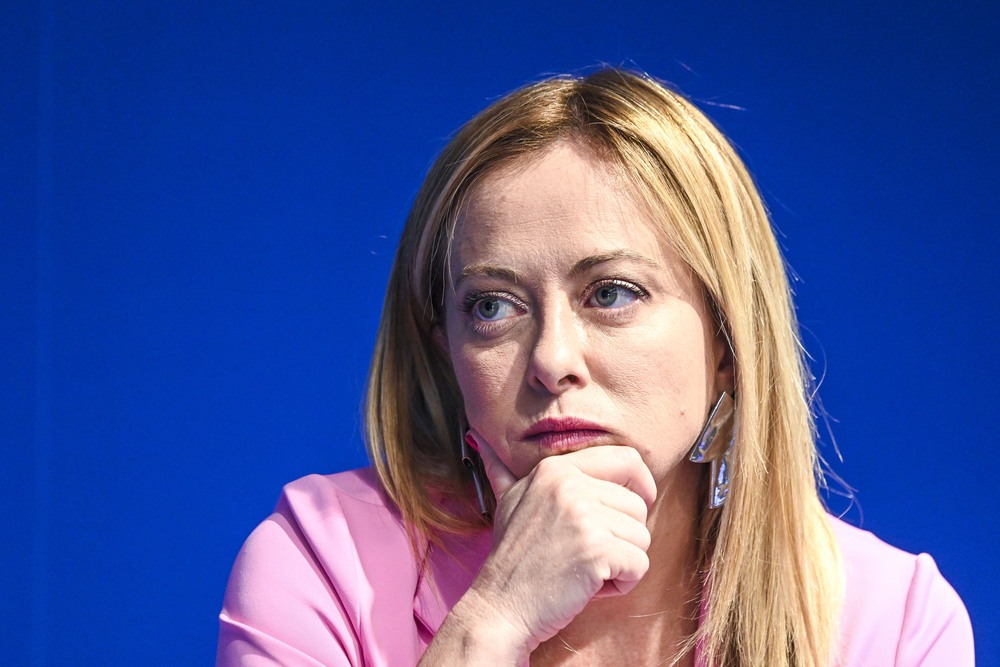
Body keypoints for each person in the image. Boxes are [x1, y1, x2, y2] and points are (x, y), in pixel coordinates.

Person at [216, 68, 973, 666]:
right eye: (493, 306)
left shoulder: (895, 621)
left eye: (611, 293)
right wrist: (492, 621)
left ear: (726, 341)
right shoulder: (321, 562)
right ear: (443, 344)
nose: (551, 360)